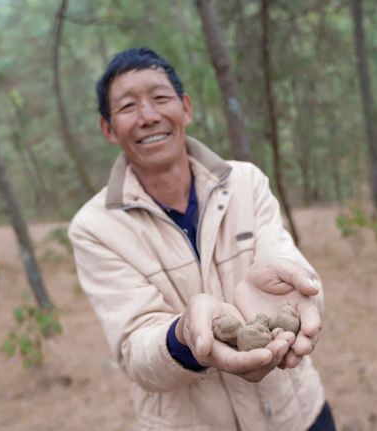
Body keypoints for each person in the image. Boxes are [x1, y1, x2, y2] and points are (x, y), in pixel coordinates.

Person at [69, 47, 336, 431]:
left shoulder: (246, 182)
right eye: (128, 107)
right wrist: (184, 336)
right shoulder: (94, 227)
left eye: (161, 98)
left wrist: (299, 290)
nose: (148, 117)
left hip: (297, 413)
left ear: (186, 108)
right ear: (108, 129)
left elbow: (286, 260)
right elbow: (135, 349)